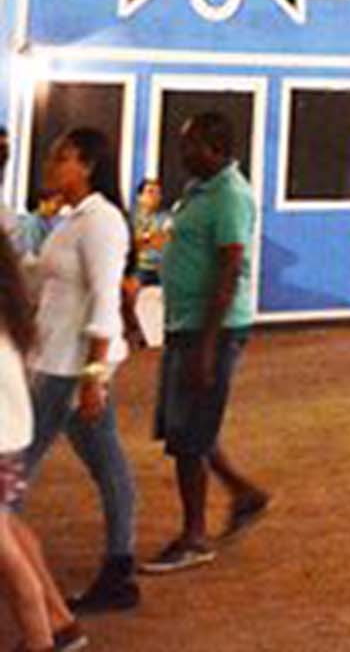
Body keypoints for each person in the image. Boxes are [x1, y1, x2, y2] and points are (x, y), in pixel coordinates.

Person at [141, 112, 269, 574]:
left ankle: (195, 536)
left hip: (208, 329)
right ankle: (244, 493)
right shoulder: (199, 191)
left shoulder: (231, 195)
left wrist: (209, 347)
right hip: (186, 325)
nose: (183, 153)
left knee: (188, 436)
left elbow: (230, 270)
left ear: (216, 148)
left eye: (191, 145)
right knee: (190, 425)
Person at [22, 130, 141, 612]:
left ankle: (42, 583)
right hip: (54, 360)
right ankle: (119, 566)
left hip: (67, 368)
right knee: (107, 463)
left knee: (14, 468)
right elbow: (46, 282)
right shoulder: (71, 220)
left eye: (63, 157)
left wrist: (94, 373)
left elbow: (105, 299)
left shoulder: (103, 222)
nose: (52, 165)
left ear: (88, 164)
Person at [0, 227, 83, 652]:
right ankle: (57, 625)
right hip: (9, 434)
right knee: (10, 531)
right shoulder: (9, 303)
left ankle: (40, 639)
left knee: (7, 556)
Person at [127, 179, 166, 350]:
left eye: (157, 192)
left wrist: (145, 240)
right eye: (150, 192)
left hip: (161, 268)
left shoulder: (164, 217)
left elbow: (165, 240)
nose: (155, 196)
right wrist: (149, 239)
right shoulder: (131, 218)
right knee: (129, 294)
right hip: (139, 268)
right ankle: (135, 334)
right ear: (139, 196)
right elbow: (131, 244)